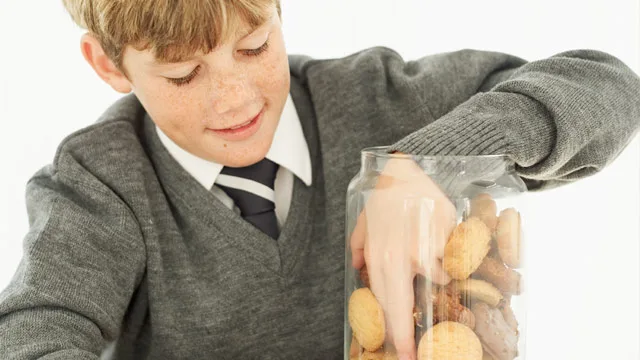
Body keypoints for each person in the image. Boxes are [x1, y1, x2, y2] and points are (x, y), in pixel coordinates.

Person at [1, 1, 639, 359]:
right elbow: (30, 335)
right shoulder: (98, 182)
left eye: (253, 47)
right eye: (182, 75)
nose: (234, 98)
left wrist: (427, 163)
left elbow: (610, 89)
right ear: (108, 64)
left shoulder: (371, 101)